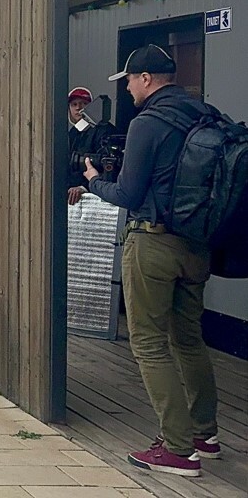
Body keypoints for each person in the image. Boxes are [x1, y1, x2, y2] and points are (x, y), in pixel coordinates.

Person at [85, 44, 218, 478]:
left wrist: (94, 181)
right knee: (189, 339)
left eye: (128, 80)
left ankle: (178, 450)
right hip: (197, 244)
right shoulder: (205, 115)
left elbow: (127, 195)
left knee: (148, 344)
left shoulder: (147, 123)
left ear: (145, 79)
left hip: (153, 243)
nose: (126, 88)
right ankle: (204, 434)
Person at [66, 86, 114, 206]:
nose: (78, 107)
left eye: (84, 103)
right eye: (74, 104)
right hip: (71, 198)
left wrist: (84, 187)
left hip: (96, 198)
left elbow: (108, 166)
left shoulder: (105, 130)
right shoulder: (72, 133)